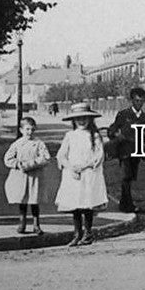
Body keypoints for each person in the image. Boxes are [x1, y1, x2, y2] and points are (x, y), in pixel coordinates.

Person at [55, 102, 107, 246]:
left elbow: (98, 156)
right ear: (73, 120)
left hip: (88, 173)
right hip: (73, 175)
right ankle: (77, 233)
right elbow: (61, 155)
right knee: (75, 205)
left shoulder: (94, 136)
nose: (82, 121)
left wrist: (84, 167)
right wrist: (71, 168)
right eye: (78, 118)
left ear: (90, 119)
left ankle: (88, 232)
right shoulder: (70, 136)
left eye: (85, 118)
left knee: (87, 204)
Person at [106, 87, 145, 214]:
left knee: (131, 177)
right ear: (132, 100)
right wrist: (116, 134)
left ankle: (124, 203)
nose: (139, 103)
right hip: (125, 151)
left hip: (137, 151)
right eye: (137, 100)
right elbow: (113, 129)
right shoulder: (123, 114)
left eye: (142, 101)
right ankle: (128, 205)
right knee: (126, 177)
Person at [3, 116, 50, 234]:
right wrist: (18, 165)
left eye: (32, 129)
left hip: (35, 176)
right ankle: (22, 223)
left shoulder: (38, 143)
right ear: (21, 130)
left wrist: (32, 164)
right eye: (27, 129)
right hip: (21, 176)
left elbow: (46, 158)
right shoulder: (17, 144)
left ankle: (36, 225)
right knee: (22, 200)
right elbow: (7, 159)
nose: (30, 132)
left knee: (34, 200)